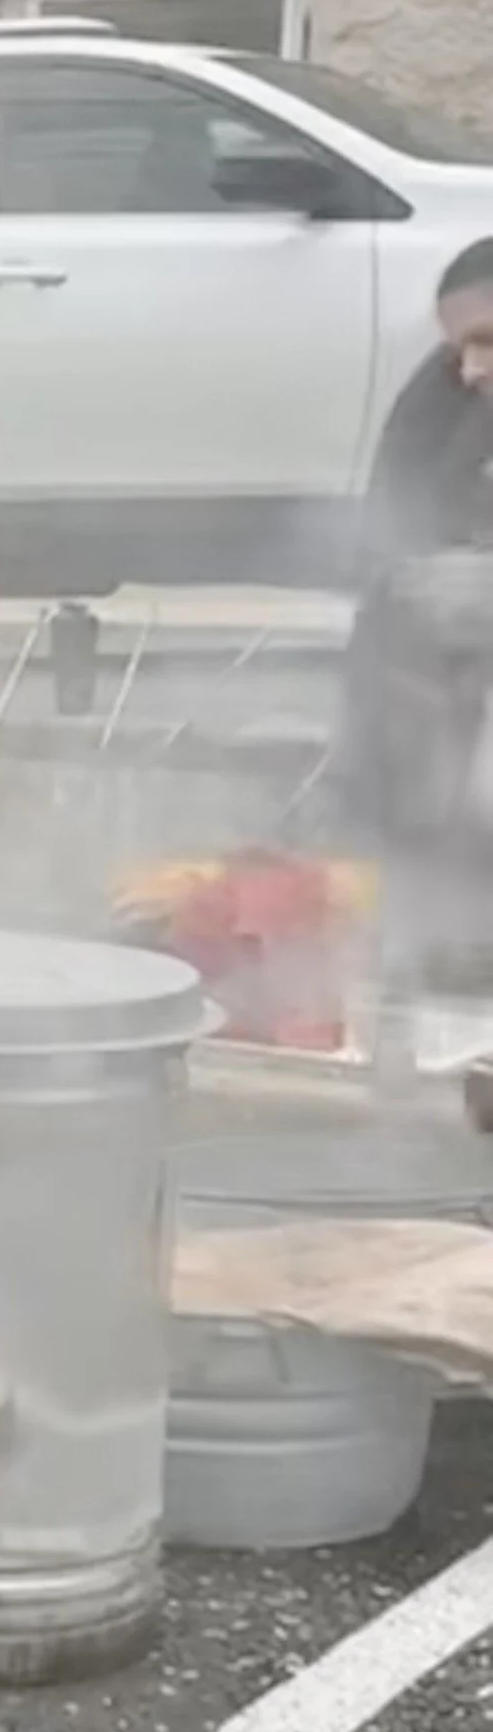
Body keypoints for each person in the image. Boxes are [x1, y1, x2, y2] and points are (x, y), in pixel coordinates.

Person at [334, 238, 493, 1093]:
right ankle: (424, 1025)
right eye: (458, 345)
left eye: (491, 343)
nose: (470, 369)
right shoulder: (443, 402)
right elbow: (391, 542)